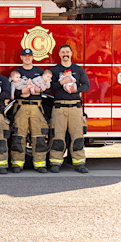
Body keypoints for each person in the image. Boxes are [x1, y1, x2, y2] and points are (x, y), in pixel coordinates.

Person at [49, 44, 90, 173]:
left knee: (77, 137)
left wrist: (77, 89)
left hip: (75, 108)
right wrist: (60, 83)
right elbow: (49, 88)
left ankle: (79, 163)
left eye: (67, 52)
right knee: (57, 137)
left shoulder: (78, 70)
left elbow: (87, 85)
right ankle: (55, 163)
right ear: (59, 54)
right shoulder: (54, 70)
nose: (65, 54)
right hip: (59, 108)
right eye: (63, 52)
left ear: (71, 54)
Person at [10, 48, 50, 173]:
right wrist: (21, 92)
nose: (27, 58)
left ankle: (40, 164)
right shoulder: (16, 73)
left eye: (29, 56)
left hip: (36, 107)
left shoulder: (39, 72)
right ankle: (17, 164)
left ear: (33, 57)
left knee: (39, 136)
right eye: (25, 56)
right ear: (21, 58)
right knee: (18, 135)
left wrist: (40, 90)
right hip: (21, 106)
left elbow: (49, 88)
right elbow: (9, 90)